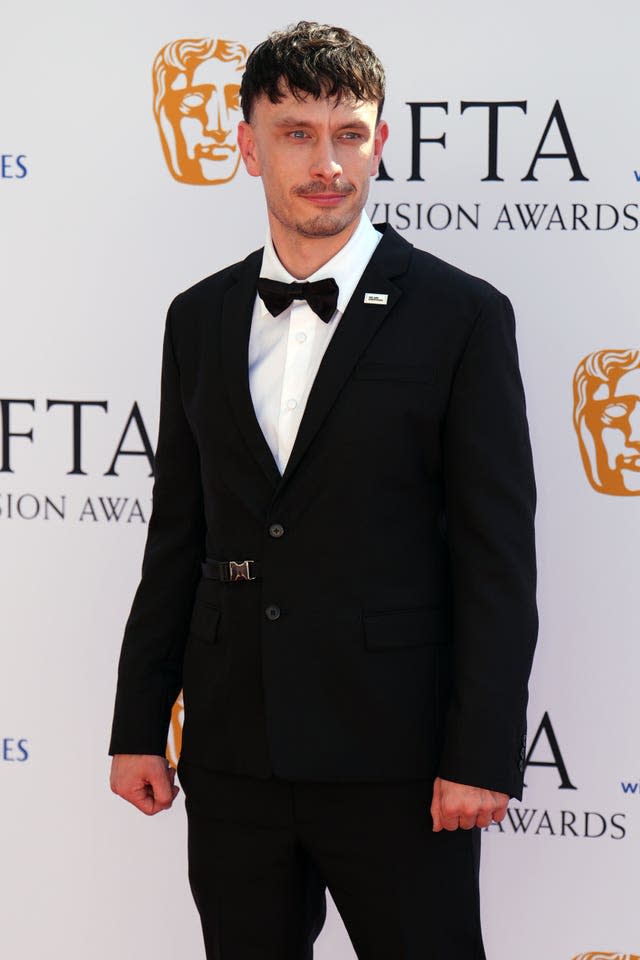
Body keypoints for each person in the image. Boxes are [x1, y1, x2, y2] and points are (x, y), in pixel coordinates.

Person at [110, 20, 538, 960]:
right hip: (232, 757)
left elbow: (496, 558)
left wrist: (479, 754)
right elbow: (177, 535)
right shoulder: (199, 315)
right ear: (247, 143)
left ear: (381, 142)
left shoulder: (462, 314)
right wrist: (139, 722)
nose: (326, 162)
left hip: (401, 759)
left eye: (348, 133)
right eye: (296, 131)